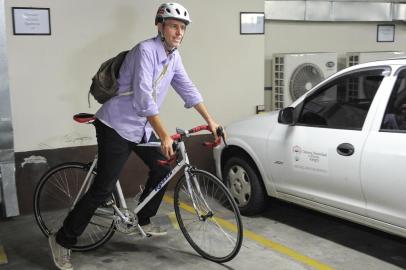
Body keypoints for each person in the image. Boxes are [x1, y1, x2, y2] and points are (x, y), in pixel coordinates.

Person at [48, 3, 221, 270]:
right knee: (102, 188)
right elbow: (143, 99)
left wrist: (211, 121)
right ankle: (62, 240)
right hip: (116, 126)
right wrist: (164, 134)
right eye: (174, 26)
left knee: (164, 164)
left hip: (141, 128)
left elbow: (188, 89)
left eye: (183, 27)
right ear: (160, 26)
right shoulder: (145, 51)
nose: (179, 32)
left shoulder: (173, 56)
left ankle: (141, 219)